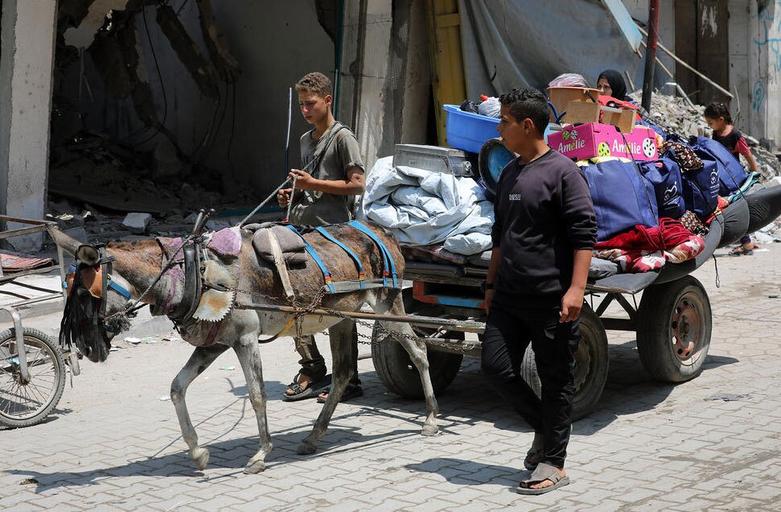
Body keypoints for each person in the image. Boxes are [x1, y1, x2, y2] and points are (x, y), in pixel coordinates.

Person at [481, 88, 597, 495]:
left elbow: (585, 236)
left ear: (526, 125)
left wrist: (576, 290)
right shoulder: (510, 172)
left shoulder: (564, 173)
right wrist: (492, 284)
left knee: (556, 379)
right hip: (510, 297)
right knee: (495, 368)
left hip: (552, 299)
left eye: (504, 121)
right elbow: (500, 236)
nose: (499, 129)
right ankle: (545, 432)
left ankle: (555, 462)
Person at [277, 72, 365, 402]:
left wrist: (313, 185)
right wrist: (294, 195)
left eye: (310, 103)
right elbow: (310, 189)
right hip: (304, 232)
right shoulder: (305, 140)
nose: (305, 110)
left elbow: (357, 184)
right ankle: (312, 366)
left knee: (338, 307)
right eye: (301, 104)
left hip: (334, 238)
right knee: (293, 299)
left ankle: (348, 378)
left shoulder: (343, 138)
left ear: (327, 100)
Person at [704, 102, 760, 256]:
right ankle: (741, 241)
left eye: (711, 123)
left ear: (721, 119)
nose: (710, 126)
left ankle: (747, 243)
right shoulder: (716, 134)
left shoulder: (735, 135)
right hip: (720, 177)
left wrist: (754, 171)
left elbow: (747, 153)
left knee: (735, 209)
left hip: (733, 178)